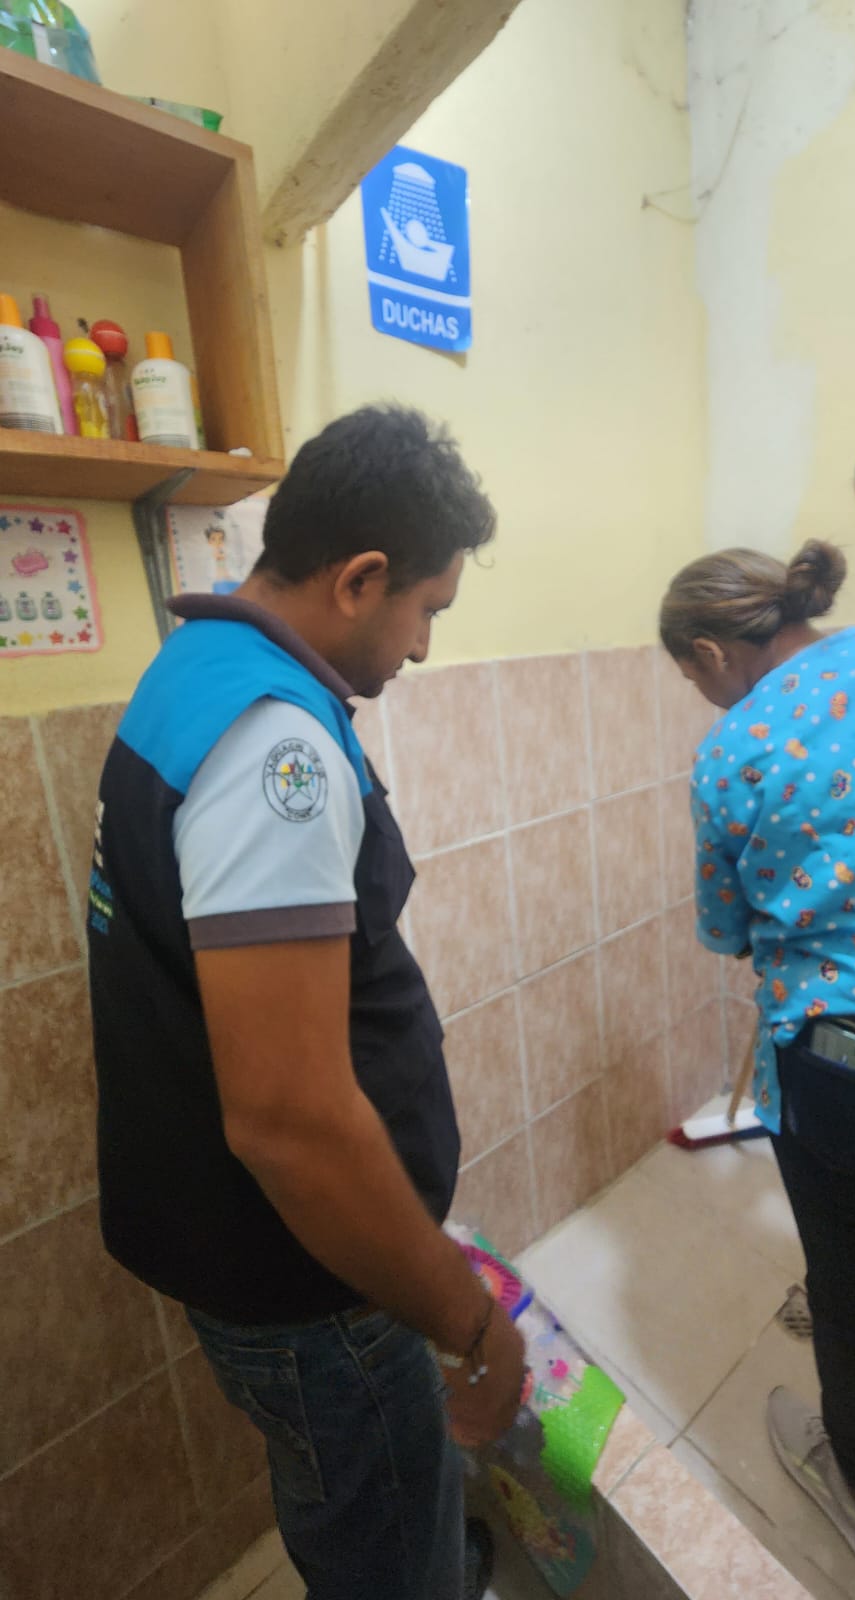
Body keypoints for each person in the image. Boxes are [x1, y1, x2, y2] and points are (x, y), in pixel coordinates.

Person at [87, 405, 526, 1600]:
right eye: (427, 609)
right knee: (387, 1546)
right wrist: (470, 1321)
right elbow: (291, 1121)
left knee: (351, 1501)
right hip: (312, 1287)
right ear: (360, 577)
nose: (422, 647)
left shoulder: (198, 664)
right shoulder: (273, 750)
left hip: (251, 1256)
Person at [660, 538, 855, 1592]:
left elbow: (725, 929)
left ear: (712, 652)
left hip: (850, 1067)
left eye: (692, 675)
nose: (703, 694)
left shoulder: (734, 749)